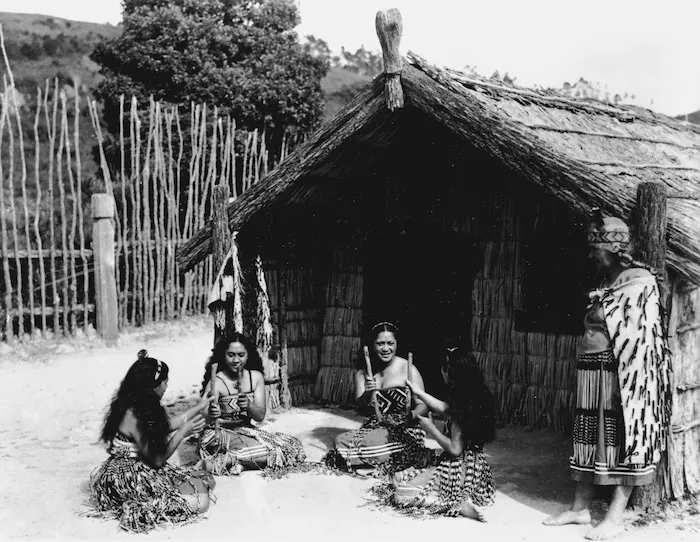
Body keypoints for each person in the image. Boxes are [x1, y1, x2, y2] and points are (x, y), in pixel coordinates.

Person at [544, 213, 671, 540]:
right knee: (587, 437)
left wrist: (629, 386)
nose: (590, 255)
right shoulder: (605, 282)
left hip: (621, 377)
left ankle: (615, 516)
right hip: (591, 371)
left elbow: (641, 340)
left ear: (612, 249)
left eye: (594, 249)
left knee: (621, 439)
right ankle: (580, 508)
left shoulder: (638, 281)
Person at [89, 350, 216, 533]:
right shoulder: (133, 414)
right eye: (165, 381)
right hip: (130, 476)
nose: (166, 386)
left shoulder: (136, 404)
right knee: (201, 501)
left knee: (205, 481)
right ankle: (139, 510)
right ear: (154, 386)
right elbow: (156, 460)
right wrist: (182, 434)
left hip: (137, 467)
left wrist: (199, 406)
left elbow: (165, 425)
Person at [368, 346, 496, 520]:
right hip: (476, 466)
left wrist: (430, 428)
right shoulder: (473, 396)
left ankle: (455, 504)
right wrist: (418, 391)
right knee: (398, 478)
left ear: (449, 372)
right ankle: (452, 497)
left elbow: (455, 449)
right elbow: (444, 408)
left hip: (459, 468)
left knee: (401, 494)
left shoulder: (461, 404)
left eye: (444, 369)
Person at [325, 322, 432, 476]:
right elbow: (361, 407)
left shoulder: (407, 368)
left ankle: (378, 462)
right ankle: (380, 461)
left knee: (371, 443)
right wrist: (368, 392)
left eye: (390, 343)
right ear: (372, 345)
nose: (386, 348)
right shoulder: (363, 374)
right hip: (375, 428)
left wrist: (411, 416)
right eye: (380, 343)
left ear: (397, 344)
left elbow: (423, 405)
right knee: (339, 441)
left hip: (405, 430)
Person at [197, 332, 306, 474]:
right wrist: (211, 413)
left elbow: (259, 416)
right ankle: (230, 460)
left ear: (248, 355)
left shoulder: (255, 378)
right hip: (218, 436)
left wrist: (249, 405)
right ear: (223, 355)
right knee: (272, 451)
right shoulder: (217, 381)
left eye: (241, 355)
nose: (236, 360)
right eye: (231, 355)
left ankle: (236, 461)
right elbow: (202, 417)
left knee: (292, 446)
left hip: (245, 431)